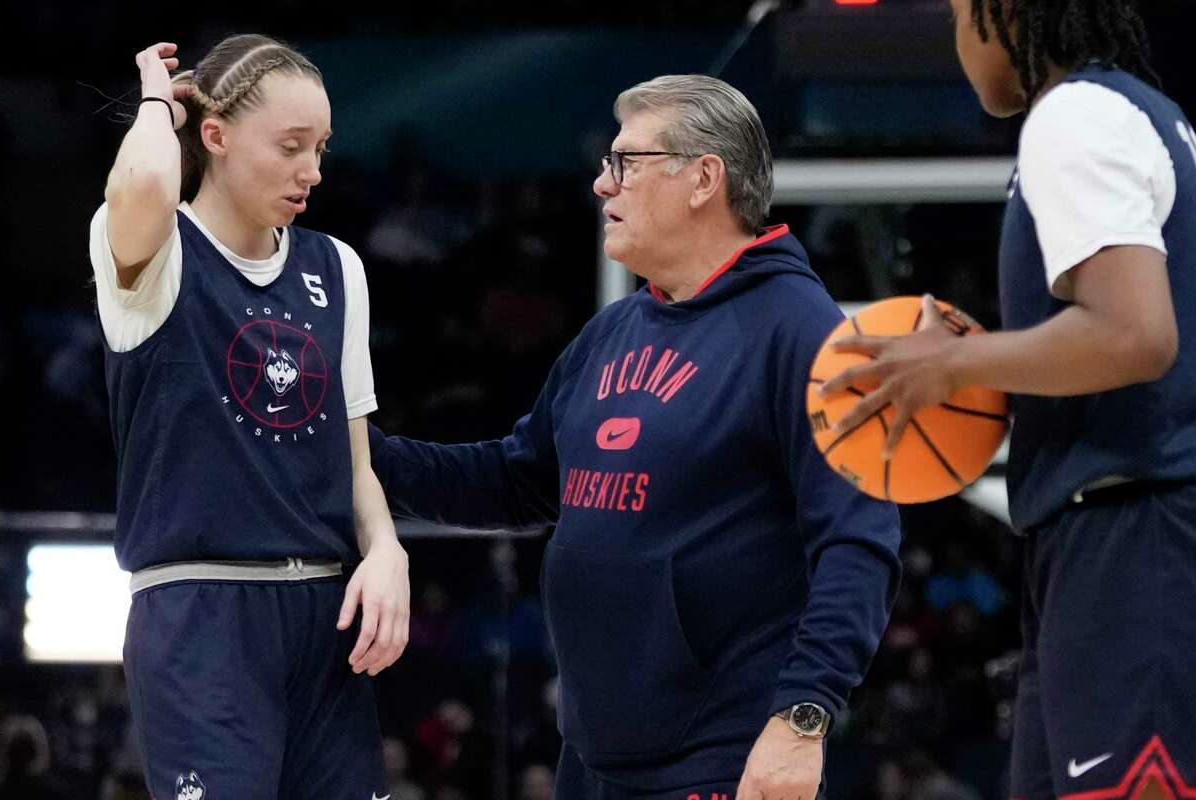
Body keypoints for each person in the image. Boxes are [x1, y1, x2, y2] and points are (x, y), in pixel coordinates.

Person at [369, 74, 902, 799]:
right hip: (591, 759)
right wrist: (359, 458)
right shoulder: (614, 330)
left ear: (703, 178)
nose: (600, 184)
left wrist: (801, 719)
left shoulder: (803, 333)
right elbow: (521, 481)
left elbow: (859, 543)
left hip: (721, 762)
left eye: (625, 162)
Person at [820, 1, 1196, 795]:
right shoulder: (1136, 113)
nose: (957, 34)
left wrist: (955, 368)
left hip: (1137, 538)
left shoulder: (1076, 114)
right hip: (1114, 535)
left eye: (961, 9)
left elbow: (1136, 335)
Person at [89, 35, 410, 799]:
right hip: (200, 612)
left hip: (324, 618)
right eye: (292, 147)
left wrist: (387, 550)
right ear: (215, 135)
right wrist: (158, 101)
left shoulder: (338, 268)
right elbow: (139, 188)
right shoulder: (152, 250)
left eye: (322, 148)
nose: (314, 172)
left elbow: (353, 459)